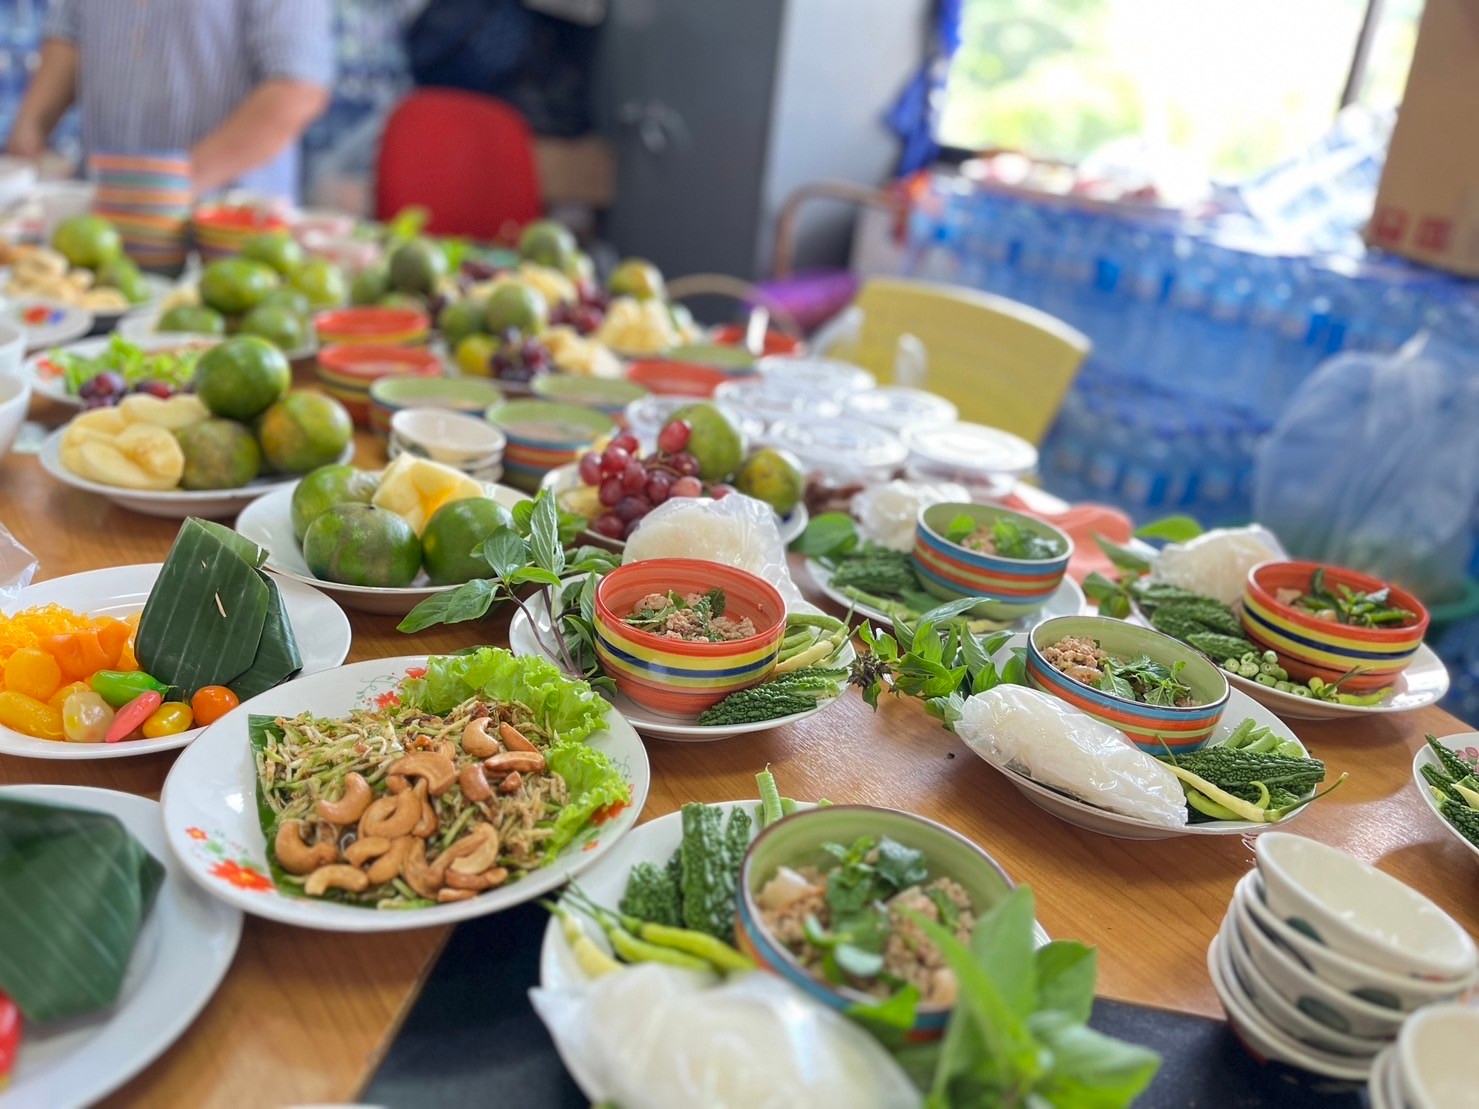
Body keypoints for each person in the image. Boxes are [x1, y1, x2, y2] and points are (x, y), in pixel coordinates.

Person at [5, 0, 335, 202]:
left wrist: (165, 189)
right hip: (100, 217)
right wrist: (25, 142)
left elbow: (298, 89)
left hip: (227, 231)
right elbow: (68, 36)